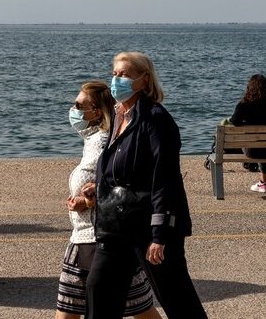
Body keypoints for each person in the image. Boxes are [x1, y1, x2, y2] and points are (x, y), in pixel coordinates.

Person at [84, 52, 207, 319]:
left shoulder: (155, 119)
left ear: (144, 80)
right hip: (116, 223)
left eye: (125, 74)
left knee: (175, 296)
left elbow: (165, 179)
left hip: (148, 225)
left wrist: (160, 235)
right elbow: (119, 166)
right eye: (115, 73)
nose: (117, 79)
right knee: (99, 288)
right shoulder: (118, 115)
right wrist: (100, 187)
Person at [56, 81, 161, 319]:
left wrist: (89, 201)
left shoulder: (102, 143)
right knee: (138, 309)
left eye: (78, 105)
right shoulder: (94, 140)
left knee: (139, 309)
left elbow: (121, 183)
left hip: (101, 239)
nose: (73, 109)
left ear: (95, 110)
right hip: (85, 237)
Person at [230, 74, 266, 193]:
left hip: (252, 150)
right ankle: (263, 183)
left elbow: (234, 121)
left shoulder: (245, 103)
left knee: (258, 144)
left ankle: (263, 183)